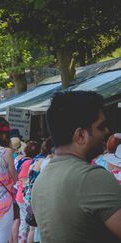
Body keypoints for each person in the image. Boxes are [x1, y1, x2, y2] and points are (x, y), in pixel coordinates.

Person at [32, 91, 121, 242]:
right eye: (101, 126)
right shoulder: (92, 178)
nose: (107, 131)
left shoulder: (41, 180)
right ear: (80, 135)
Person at [15, 141, 40, 243]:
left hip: (20, 195)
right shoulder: (31, 163)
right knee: (29, 226)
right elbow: (27, 181)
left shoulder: (22, 161)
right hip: (26, 198)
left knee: (23, 224)